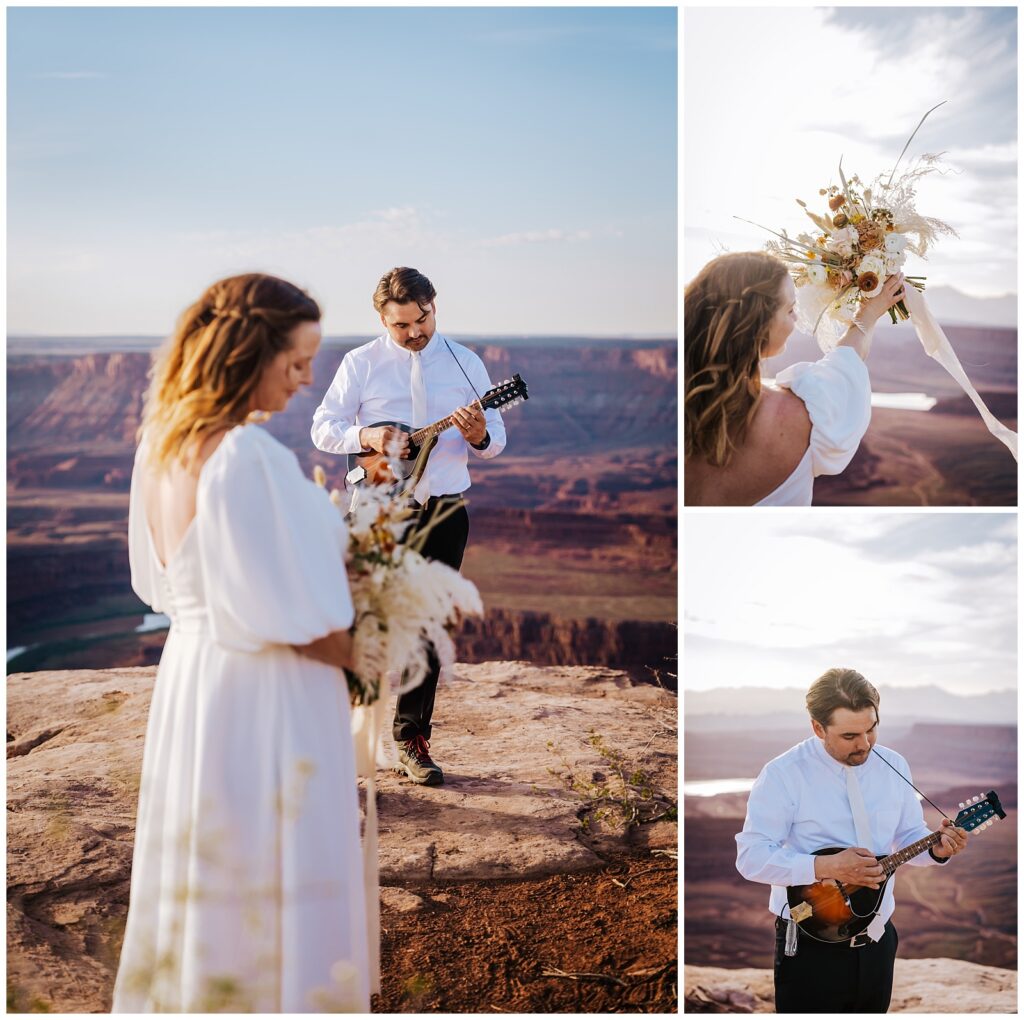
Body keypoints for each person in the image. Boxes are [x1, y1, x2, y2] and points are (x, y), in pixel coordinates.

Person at [112, 274, 372, 1012]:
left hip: (196, 683)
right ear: (243, 354)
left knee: (210, 870)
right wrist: (383, 648)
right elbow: (314, 628)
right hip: (267, 695)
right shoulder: (245, 457)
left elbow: (184, 586)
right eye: (295, 361)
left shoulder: (162, 444)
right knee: (273, 867)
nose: (308, 378)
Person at [311, 266, 506, 786]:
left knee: (428, 625)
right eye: (401, 325)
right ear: (383, 319)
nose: (414, 332)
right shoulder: (362, 363)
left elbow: (497, 444)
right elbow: (323, 428)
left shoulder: (465, 364)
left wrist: (482, 431)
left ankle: (410, 741)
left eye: (421, 320)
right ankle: (334, 738)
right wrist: (370, 434)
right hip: (375, 509)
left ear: (434, 307)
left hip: (444, 510)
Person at [736, 668, 969, 1013]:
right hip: (809, 945)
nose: (865, 744)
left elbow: (909, 836)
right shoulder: (783, 774)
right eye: (849, 736)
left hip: (878, 941)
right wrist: (824, 866)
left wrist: (936, 849)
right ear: (818, 728)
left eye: (871, 728)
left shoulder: (894, 764)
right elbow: (751, 857)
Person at [684, 252, 906, 506]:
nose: (796, 318)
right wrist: (869, 312)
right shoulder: (799, 418)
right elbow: (846, 364)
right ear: (758, 324)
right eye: (789, 309)